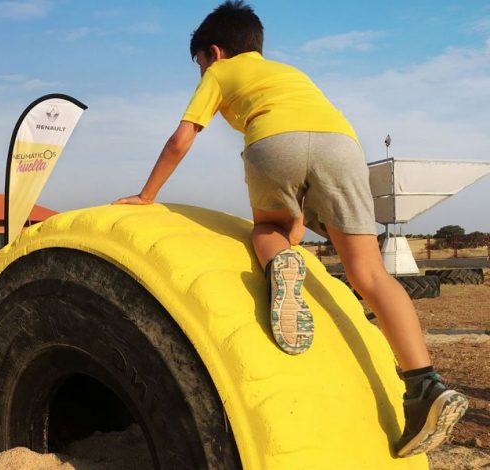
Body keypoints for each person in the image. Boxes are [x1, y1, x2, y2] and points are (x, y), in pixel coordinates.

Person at [114, 1, 467, 457]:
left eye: (199, 64)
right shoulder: (291, 75)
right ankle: (424, 384)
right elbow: (310, 145)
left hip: (271, 140)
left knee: (268, 229)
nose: (201, 73)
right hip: (341, 145)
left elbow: (182, 138)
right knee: (371, 275)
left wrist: (146, 195)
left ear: (215, 52)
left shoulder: (221, 73)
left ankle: (279, 263)